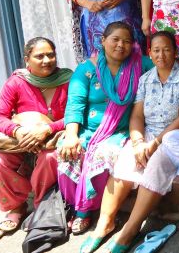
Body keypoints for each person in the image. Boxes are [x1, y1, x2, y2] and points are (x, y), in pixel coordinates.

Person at [78, 31, 179, 253]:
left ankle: (130, 230)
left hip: (176, 136)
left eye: (166, 49)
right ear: (149, 54)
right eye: (156, 50)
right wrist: (137, 142)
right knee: (125, 162)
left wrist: (154, 145)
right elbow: (137, 116)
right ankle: (105, 224)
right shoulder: (146, 79)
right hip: (149, 136)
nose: (161, 54)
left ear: (176, 51)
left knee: (156, 164)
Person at [57, 22, 154, 235]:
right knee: (68, 151)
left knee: (102, 155)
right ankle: (75, 204)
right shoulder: (86, 69)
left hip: (121, 132)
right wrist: (72, 135)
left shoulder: (141, 65)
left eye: (127, 41)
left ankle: (87, 211)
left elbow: (166, 67)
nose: (121, 45)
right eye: (115, 39)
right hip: (88, 131)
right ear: (103, 41)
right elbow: (75, 104)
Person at [0, 37, 71, 237]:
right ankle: (17, 207)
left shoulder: (69, 80)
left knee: (50, 158)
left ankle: (42, 206)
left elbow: (77, 114)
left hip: (56, 139)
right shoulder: (17, 82)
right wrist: (18, 131)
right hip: (23, 141)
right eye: (39, 56)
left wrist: (47, 129)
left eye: (50, 55)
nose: (46, 60)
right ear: (27, 60)